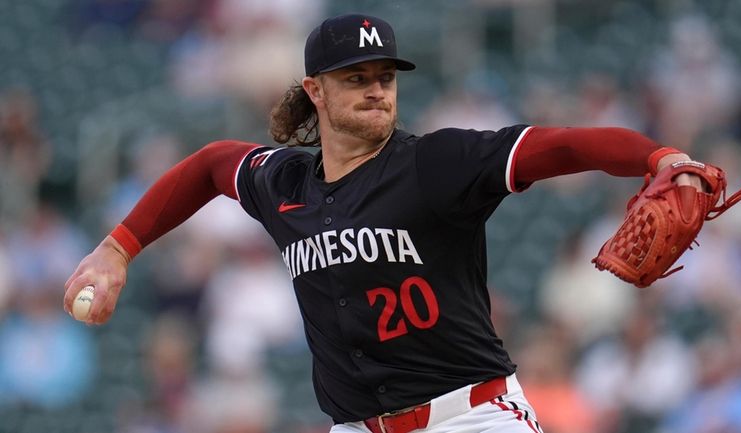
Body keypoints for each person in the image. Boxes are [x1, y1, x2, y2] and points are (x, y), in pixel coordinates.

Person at [65, 13, 708, 433]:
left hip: (472, 420)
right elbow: (208, 165)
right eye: (356, 78)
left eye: (385, 77)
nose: (377, 89)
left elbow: (558, 145)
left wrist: (660, 157)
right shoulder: (283, 181)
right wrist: (117, 249)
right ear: (316, 91)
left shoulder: (435, 163)